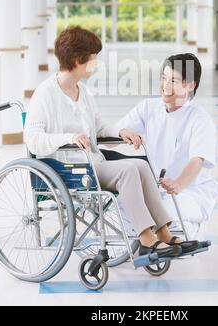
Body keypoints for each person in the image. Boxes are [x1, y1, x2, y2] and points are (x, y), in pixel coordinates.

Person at [24, 27, 198, 257]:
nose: (96, 63)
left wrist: (120, 131)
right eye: (93, 58)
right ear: (78, 60)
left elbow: (98, 126)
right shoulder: (45, 93)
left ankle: (164, 233)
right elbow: (33, 139)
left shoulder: (83, 92)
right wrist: (69, 138)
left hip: (92, 163)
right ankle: (146, 238)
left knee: (141, 166)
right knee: (127, 170)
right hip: (68, 168)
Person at [116, 53, 218, 240]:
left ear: (190, 85)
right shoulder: (148, 108)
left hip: (190, 192)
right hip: (155, 191)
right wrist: (124, 132)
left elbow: (197, 160)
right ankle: (156, 234)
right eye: (164, 78)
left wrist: (178, 183)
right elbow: (118, 128)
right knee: (119, 207)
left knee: (164, 213)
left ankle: (191, 230)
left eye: (174, 80)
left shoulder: (200, 119)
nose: (165, 86)